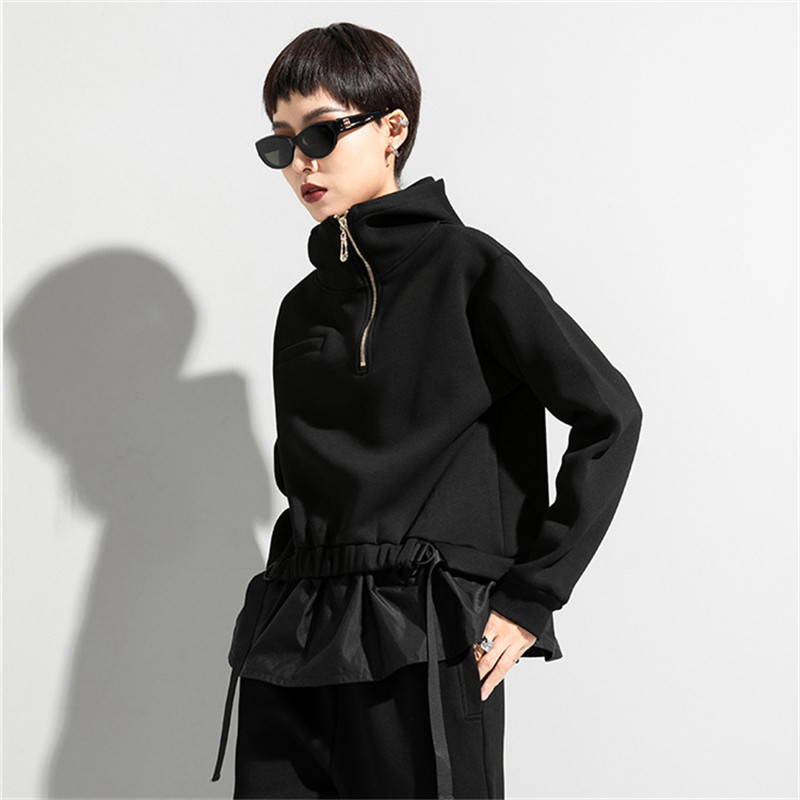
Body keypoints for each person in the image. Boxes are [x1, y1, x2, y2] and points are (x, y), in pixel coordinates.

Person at [211, 21, 643, 800]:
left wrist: (531, 596)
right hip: (295, 629)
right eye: (281, 144)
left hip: (425, 628)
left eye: (321, 132)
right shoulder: (301, 308)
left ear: (393, 130)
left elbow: (610, 413)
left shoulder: (468, 267)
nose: (302, 161)